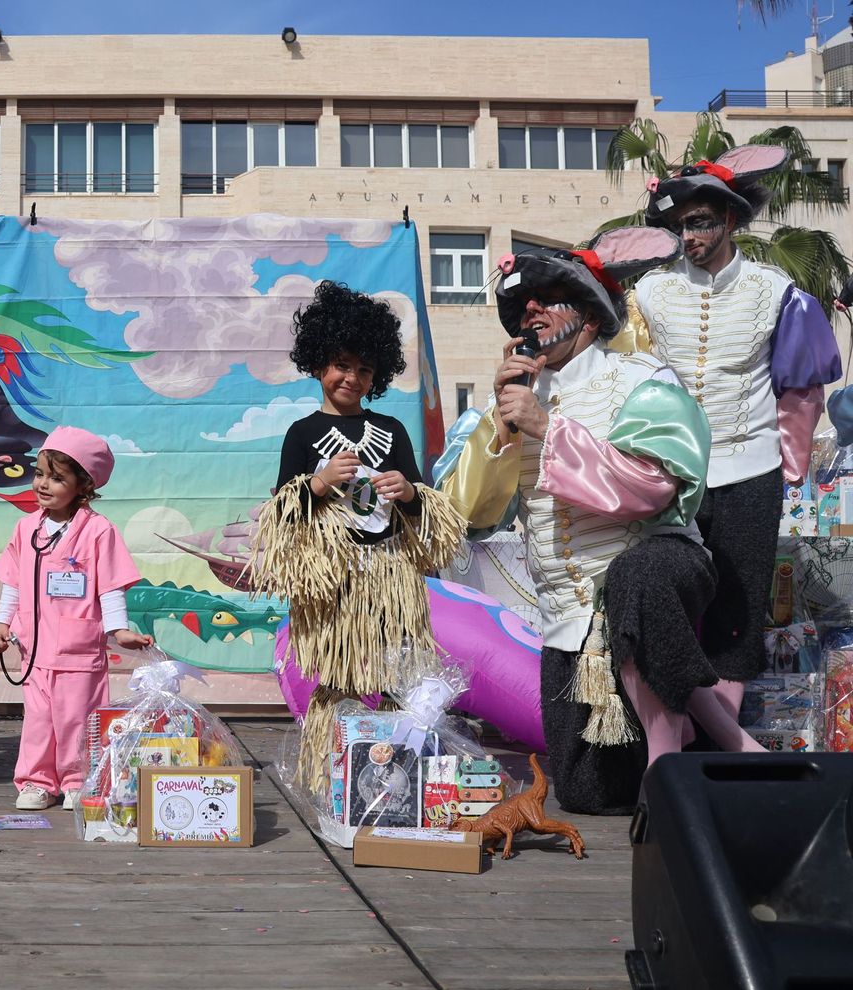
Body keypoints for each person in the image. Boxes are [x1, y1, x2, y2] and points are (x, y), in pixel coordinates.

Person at [440, 227, 747, 816]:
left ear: (587, 314)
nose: (529, 311)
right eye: (520, 306)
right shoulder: (511, 405)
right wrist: (501, 433)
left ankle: (670, 764)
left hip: (661, 572)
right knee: (587, 793)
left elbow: (653, 488)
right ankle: (696, 729)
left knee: (638, 576)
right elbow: (466, 516)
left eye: (546, 299)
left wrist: (547, 428)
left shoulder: (643, 380)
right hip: (571, 625)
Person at [627, 145, 843, 734]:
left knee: (738, 611)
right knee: (668, 599)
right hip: (671, 476)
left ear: (729, 219)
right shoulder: (647, 293)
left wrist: (791, 467)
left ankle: (718, 743)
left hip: (751, 471)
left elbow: (800, 389)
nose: (688, 236)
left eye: (699, 222)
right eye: (680, 225)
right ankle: (674, 734)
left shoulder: (776, 290)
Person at [247, 281, 465, 792]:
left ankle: (394, 778)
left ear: (378, 375)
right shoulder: (303, 434)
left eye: (364, 369)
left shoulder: (391, 431)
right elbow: (282, 515)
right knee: (339, 677)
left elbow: (422, 508)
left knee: (394, 674)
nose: (351, 377)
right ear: (318, 364)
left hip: (389, 576)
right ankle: (332, 776)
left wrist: (408, 491)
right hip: (336, 581)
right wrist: (319, 483)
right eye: (341, 365)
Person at [0, 427, 154, 811]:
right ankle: (36, 783)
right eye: (40, 474)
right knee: (38, 721)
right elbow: (14, 581)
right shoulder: (26, 528)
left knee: (77, 719)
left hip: (78, 651)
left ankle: (79, 780)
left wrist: (119, 630)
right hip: (33, 649)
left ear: (83, 485)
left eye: (57, 478)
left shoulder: (98, 531)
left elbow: (110, 586)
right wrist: (3, 623)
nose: (43, 484)